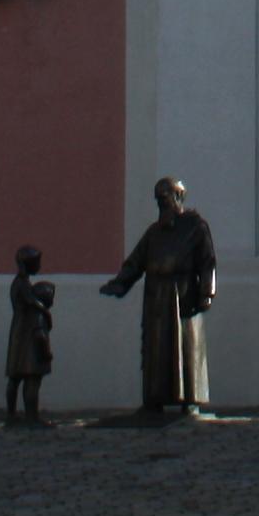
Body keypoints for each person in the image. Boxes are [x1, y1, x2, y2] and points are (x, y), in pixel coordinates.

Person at [99, 175, 218, 415]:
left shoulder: (196, 227)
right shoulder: (154, 233)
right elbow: (136, 261)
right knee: (156, 348)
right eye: (158, 201)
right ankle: (154, 399)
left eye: (164, 199)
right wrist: (119, 283)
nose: (161, 206)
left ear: (177, 197)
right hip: (157, 296)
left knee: (186, 347)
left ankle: (190, 400)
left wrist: (207, 292)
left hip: (184, 295)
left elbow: (208, 263)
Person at [2, 245, 55, 425]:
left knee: (15, 378)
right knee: (29, 378)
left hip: (19, 331)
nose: (39, 265)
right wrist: (45, 312)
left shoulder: (21, 282)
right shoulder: (22, 283)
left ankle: (12, 415)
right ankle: (28, 416)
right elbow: (31, 301)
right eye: (37, 262)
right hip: (26, 335)